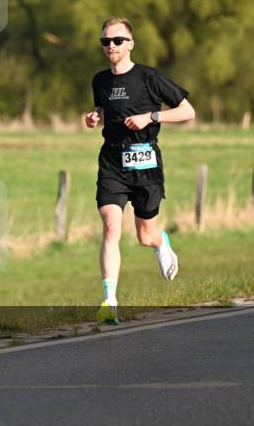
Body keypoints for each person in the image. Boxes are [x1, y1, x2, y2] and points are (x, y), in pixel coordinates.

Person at [84, 17, 196, 324]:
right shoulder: (100, 81)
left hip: (145, 163)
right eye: (105, 42)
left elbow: (188, 111)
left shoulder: (149, 77)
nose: (111, 47)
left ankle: (162, 244)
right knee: (110, 227)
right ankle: (110, 301)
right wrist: (95, 117)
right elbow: (105, 110)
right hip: (112, 163)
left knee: (145, 234)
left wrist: (152, 117)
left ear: (130, 43)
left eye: (117, 41)